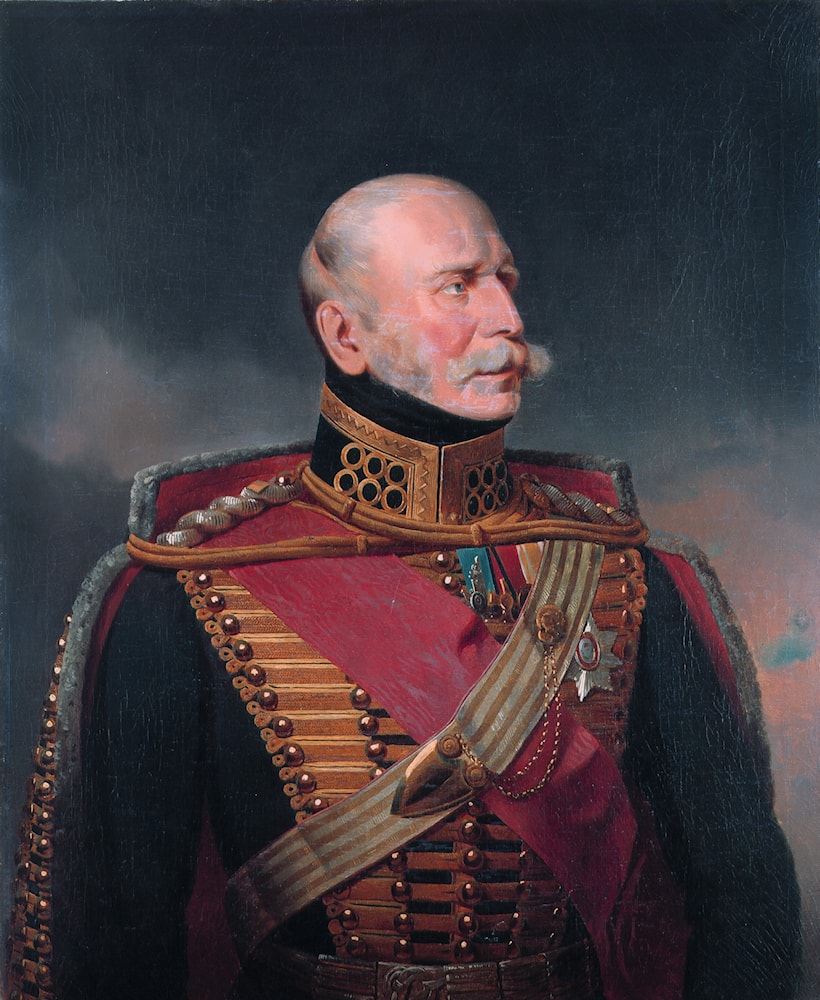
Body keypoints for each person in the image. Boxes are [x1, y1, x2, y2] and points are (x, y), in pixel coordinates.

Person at [7, 175, 800, 1000]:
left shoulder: (626, 573)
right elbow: (121, 946)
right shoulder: (184, 590)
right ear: (346, 335)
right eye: (458, 286)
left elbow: (742, 899)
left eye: (505, 281)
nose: (508, 318)